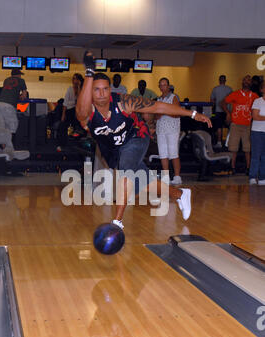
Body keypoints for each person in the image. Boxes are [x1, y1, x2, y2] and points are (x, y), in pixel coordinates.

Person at [76, 51, 212, 230]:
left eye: (105, 89)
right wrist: (89, 74)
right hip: (112, 150)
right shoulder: (86, 114)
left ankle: (117, 222)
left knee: (126, 173)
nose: (101, 93)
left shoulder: (124, 102)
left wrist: (192, 114)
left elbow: (158, 106)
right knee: (143, 181)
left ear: (111, 90)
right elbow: (81, 110)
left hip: (137, 138)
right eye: (96, 89)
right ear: (90, 91)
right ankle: (180, 194)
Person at [221, 75, 259, 174]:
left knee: (248, 148)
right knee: (233, 148)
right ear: (242, 82)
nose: (247, 82)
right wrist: (228, 113)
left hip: (248, 125)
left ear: (251, 83)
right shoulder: (236, 94)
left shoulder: (255, 96)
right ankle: (232, 167)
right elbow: (223, 103)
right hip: (235, 124)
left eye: (249, 80)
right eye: (245, 80)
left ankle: (248, 168)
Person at [155, 77, 182, 185]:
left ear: (168, 86)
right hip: (161, 129)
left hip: (172, 129)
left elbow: (177, 113)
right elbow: (156, 116)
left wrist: (164, 112)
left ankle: (177, 176)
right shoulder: (158, 99)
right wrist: (159, 114)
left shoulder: (174, 97)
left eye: (164, 85)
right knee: (163, 154)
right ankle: (166, 177)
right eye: (161, 85)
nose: (162, 87)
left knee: (173, 153)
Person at [57, 73, 85, 149]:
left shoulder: (82, 89)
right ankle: (62, 144)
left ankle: (78, 144)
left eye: (76, 79)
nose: (74, 80)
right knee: (62, 126)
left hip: (77, 111)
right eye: (73, 79)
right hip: (69, 111)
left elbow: (79, 101)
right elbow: (65, 103)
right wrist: (63, 115)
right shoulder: (70, 89)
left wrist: (79, 87)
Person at [0, 69, 28, 135]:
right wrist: (21, 97)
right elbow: (24, 95)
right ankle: (10, 144)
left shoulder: (6, 80)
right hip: (9, 105)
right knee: (12, 126)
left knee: (1, 127)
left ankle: (2, 144)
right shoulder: (21, 81)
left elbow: (9, 90)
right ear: (19, 75)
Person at [249, 81, 265, 185]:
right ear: (262, 90)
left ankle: (263, 177)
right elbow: (255, 116)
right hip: (257, 132)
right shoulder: (257, 101)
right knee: (256, 155)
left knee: (264, 156)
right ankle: (253, 177)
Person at [210, 75, 232, 147]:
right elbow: (233, 101)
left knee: (219, 127)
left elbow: (212, 101)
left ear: (219, 80)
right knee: (229, 127)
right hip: (227, 111)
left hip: (218, 111)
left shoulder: (215, 89)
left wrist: (212, 109)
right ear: (225, 80)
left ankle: (219, 142)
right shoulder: (229, 89)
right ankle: (228, 142)